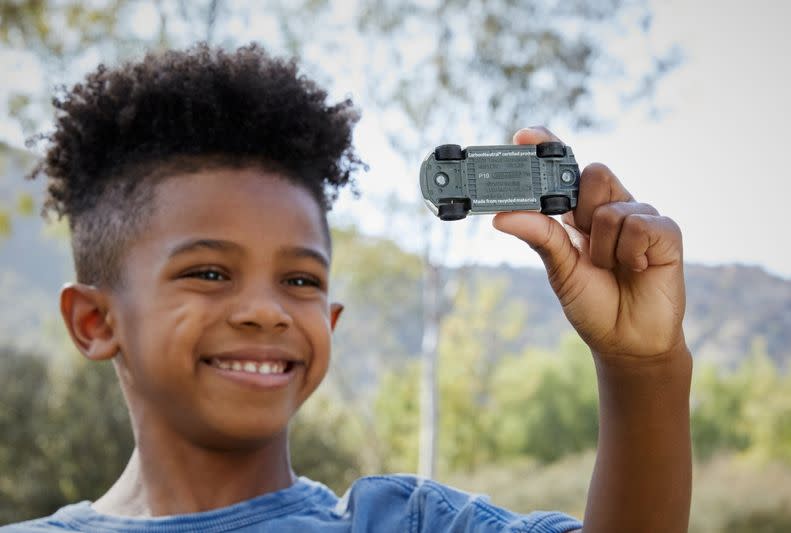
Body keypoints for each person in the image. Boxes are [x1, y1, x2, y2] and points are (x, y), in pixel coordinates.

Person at [2, 42, 691, 532]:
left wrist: (644, 368)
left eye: (299, 279)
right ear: (95, 321)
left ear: (330, 319)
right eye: (209, 272)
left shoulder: (411, 523)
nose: (266, 310)